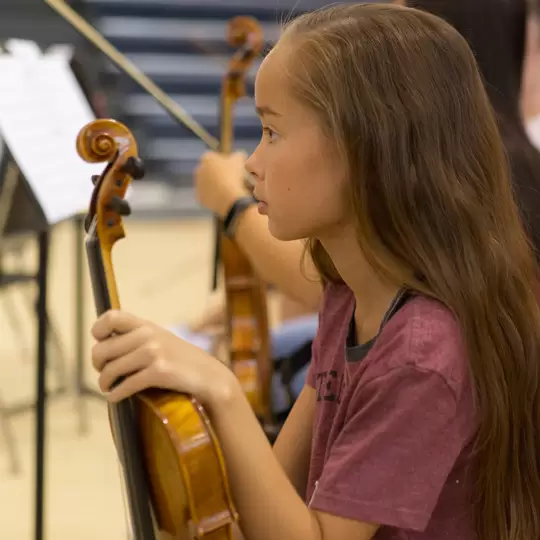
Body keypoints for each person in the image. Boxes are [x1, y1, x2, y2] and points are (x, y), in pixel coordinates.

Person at [90, 4, 540, 540]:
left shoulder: (421, 356)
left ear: (366, 151)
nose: (251, 163)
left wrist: (223, 391)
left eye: (271, 132)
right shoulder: (348, 296)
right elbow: (275, 505)